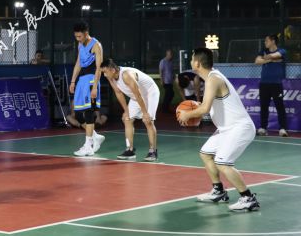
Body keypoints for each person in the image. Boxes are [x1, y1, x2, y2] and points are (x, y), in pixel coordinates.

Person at [178, 47, 259, 212]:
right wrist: (197, 106)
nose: (191, 61)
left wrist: (188, 114)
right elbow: (209, 104)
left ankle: (248, 198)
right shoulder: (211, 76)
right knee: (206, 154)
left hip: (240, 128)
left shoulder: (213, 79)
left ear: (197, 63)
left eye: (192, 59)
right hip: (227, 129)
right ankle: (218, 191)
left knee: (222, 163)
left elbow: (205, 109)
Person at [101, 59, 160, 161]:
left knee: (148, 121)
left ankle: (153, 151)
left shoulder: (126, 75)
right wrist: (126, 111)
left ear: (112, 70)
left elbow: (138, 94)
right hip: (136, 96)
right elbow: (118, 93)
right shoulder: (111, 78)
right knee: (127, 119)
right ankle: (130, 150)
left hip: (150, 93)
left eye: (105, 72)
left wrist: (145, 113)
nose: (104, 75)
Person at [68, 22, 105, 157]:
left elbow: (99, 68)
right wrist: (73, 81)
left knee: (89, 112)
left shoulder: (96, 45)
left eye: (79, 36)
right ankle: (95, 136)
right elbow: (78, 63)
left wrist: (95, 87)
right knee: (78, 114)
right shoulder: (80, 44)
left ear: (86, 34)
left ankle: (88, 146)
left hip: (91, 80)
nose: (78, 39)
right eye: (76, 37)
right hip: (81, 81)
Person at [255, 34, 288, 137]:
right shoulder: (263, 51)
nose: (265, 42)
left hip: (276, 84)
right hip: (264, 84)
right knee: (264, 106)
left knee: (279, 106)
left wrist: (267, 58)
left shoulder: (282, 51)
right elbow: (257, 61)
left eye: (267, 41)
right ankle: (263, 128)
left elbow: (271, 56)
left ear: (273, 41)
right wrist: (272, 60)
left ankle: (282, 129)